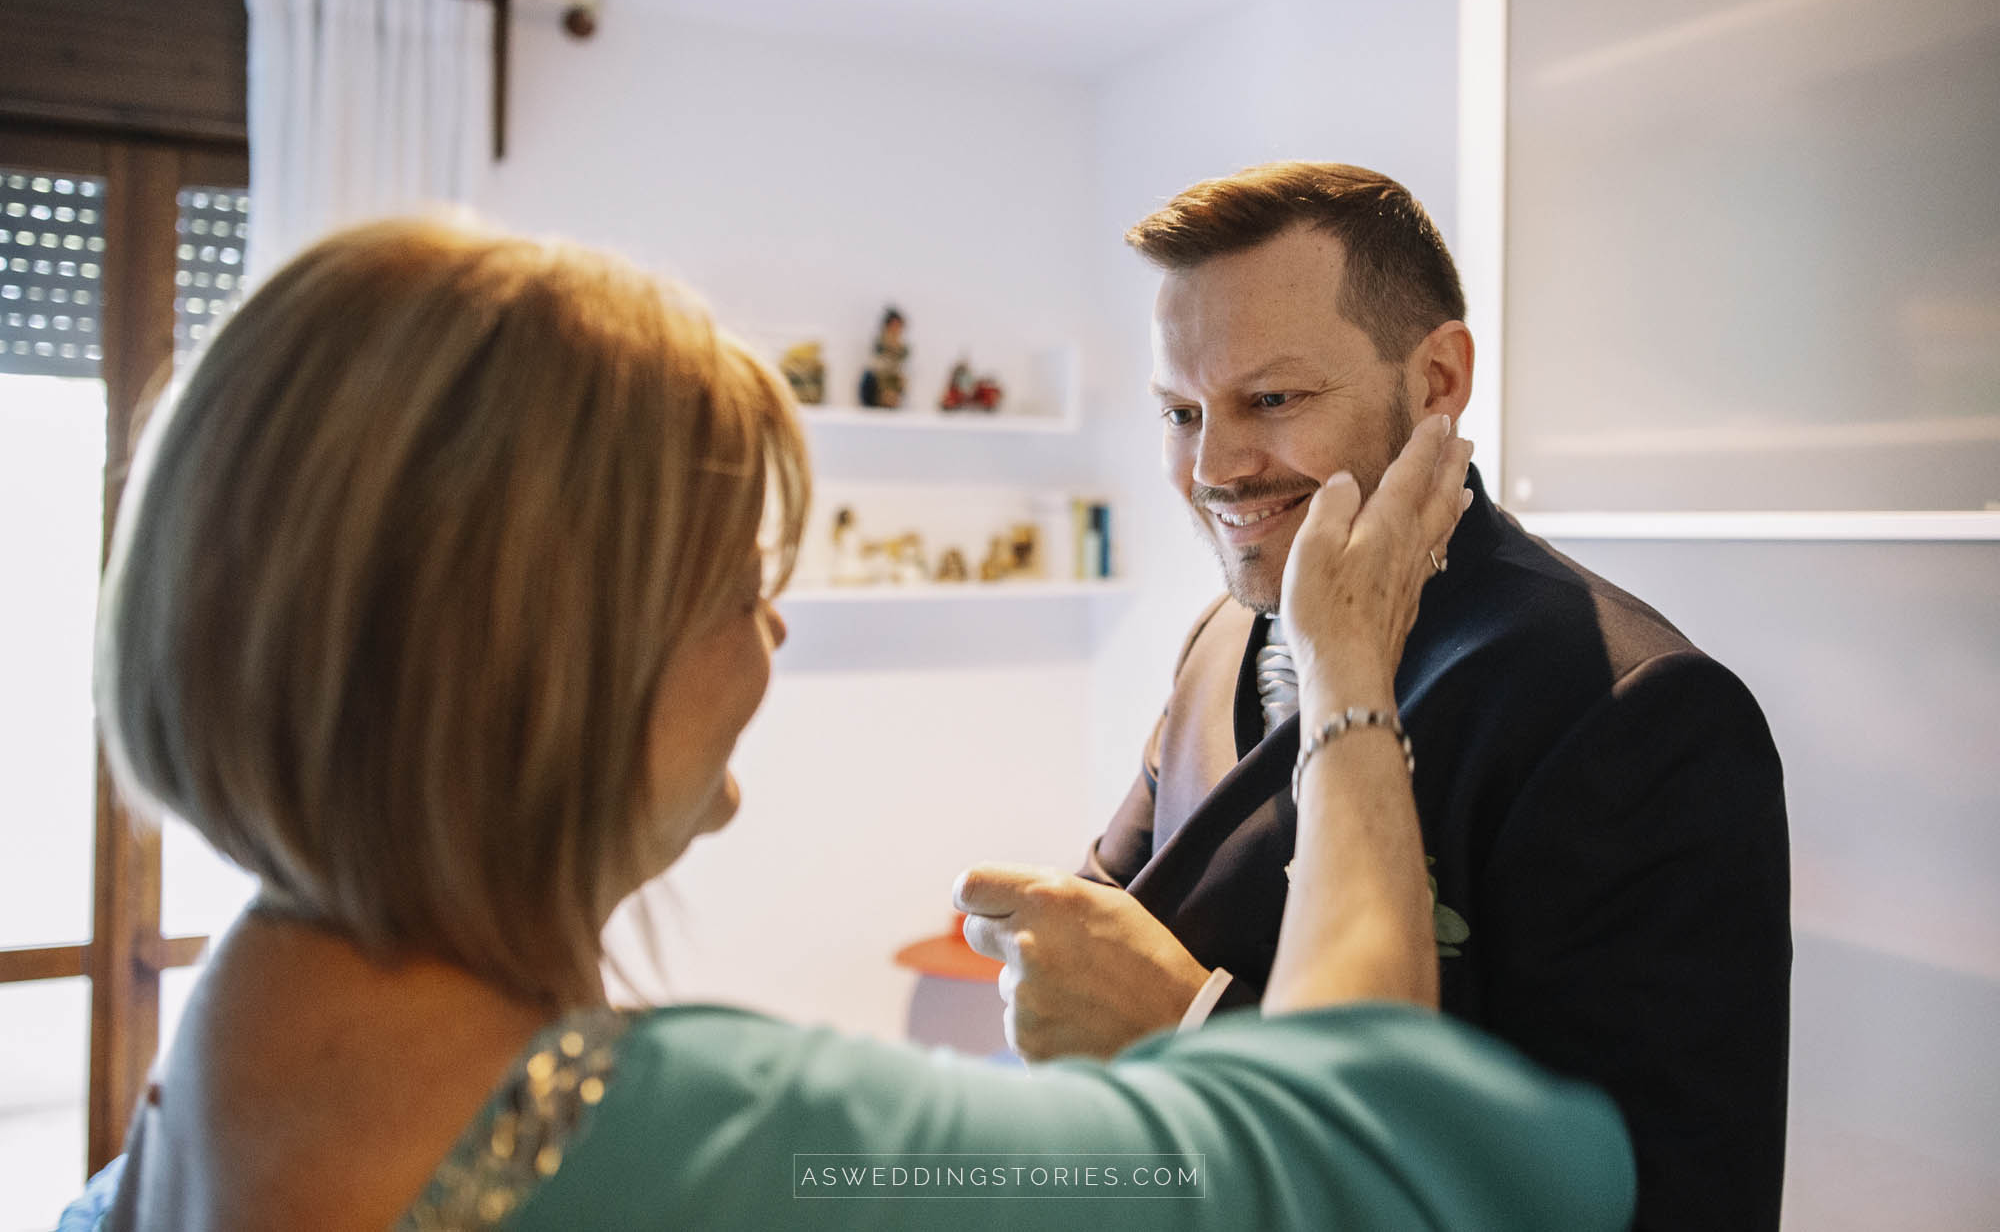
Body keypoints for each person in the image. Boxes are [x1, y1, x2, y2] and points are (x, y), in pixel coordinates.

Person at [63, 220, 1632, 1230]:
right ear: (558, 659)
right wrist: (1347, 683)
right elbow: (1401, 1156)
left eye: (1268, 399)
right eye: (743, 580)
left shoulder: (198, 1095)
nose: (775, 632)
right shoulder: (720, 1155)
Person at [958, 163, 1792, 1231]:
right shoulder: (1218, 640)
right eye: (1178, 412)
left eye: (1270, 400)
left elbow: (1665, 1203)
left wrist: (1194, 1024)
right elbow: (1113, 924)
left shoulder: (1639, 712)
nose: (1211, 467)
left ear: (1437, 379)